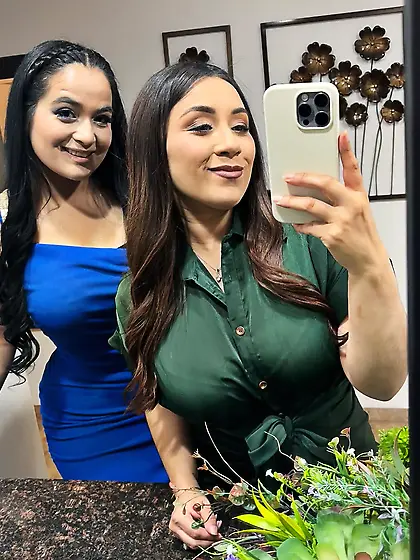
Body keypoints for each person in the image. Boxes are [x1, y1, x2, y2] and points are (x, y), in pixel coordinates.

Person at [109, 61, 407, 548]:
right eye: (201, 126)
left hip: (357, 506)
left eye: (241, 127)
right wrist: (185, 489)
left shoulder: (311, 243)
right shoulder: (139, 294)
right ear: (152, 151)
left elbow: (382, 381)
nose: (232, 144)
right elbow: (160, 399)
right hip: (242, 519)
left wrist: (370, 266)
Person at [0, 40, 166, 483]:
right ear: (26, 116)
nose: (88, 135)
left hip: (191, 409)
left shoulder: (149, 203)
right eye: (66, 113)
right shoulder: (7, 229)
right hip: (91, 428)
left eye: (103, 118)